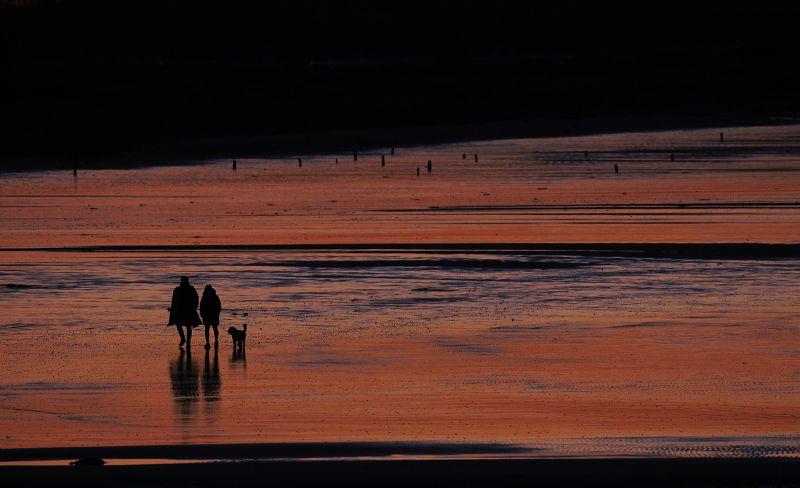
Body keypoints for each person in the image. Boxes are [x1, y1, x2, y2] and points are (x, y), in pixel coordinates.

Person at [168, 276, 202, 348]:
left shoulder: (183, 289)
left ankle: (186, 340)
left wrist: (195, 307)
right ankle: (185, 340)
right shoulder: (185, 289)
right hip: (183, 310)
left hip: (186, 310)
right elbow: (174, 300)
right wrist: (172, 309)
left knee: (184, 325)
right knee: (183, 325)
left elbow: (196, 299)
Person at [200, 284, 222, 349]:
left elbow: (201, 306)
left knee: (209, 328)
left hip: (209, 315)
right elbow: (219, 306)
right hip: (212, 315)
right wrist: (217, 313)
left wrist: (202, 314)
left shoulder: (206, 297)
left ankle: (210, 341)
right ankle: (214, 340)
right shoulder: (214, 296)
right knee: (213, 328)